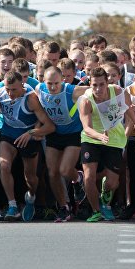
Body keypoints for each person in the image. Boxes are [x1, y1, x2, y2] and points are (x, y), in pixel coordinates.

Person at [0, 71, 55, 221]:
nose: (10, 93)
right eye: (8, 89)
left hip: (28, 137)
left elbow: (49, 126)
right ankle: (12, 205)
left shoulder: (31, 99)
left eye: (14, 89)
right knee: (4, 166)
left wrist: (31, 133)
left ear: (22, 85)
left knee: (30, 178)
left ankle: (31, 198)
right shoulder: (1, 93)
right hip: (8, 134)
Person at [79, 67, 135, 222]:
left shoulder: (118, 92)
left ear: (107, 83)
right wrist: (99, 136)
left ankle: (105, 194)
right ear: (90, 84)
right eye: (94, 85)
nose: (98, 88)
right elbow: (87, 128)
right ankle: (96, 211)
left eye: (101, 84)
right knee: (89, 177)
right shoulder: (86, 100)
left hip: (115, 140)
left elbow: (128, 110)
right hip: (92, 139)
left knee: (112, 183)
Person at [37, 66, 89, 222]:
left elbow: (94, 89)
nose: (52, 87)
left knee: (65, 170)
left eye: (56, 84)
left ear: (63, 81)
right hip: (54, 133)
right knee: (52, 173)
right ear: (43, 81)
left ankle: (78, 178)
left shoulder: (71, 90)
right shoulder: (39, 89)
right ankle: (63, 207)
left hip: (73, 133)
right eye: (49, 84)